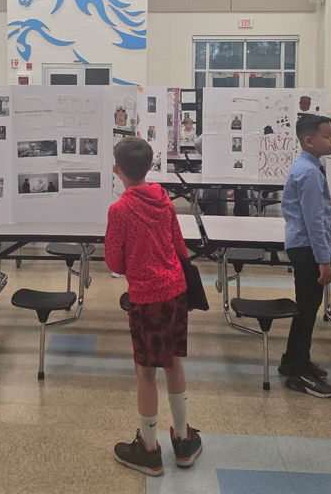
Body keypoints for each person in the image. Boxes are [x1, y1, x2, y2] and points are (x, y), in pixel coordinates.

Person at [106, 137, 201, 477]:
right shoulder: (164, 199)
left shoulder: (119, 210)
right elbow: (178, 245)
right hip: (176, 290)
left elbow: (114, 261)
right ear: (150, 166)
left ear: (116, 170)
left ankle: (148, 448)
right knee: (173, 362)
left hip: (146, 297)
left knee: (145, 370)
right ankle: (183, 437)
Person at [279, 114, 331, 398]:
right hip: (307, 249)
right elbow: (314, 220)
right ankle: (297, 370)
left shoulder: (307, 166)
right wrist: (324, 260)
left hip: (302, 244)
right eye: (327, 135)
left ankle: (293, 358)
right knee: (306, 309)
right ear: (308, 140)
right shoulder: (310, 172)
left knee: (307, 308)